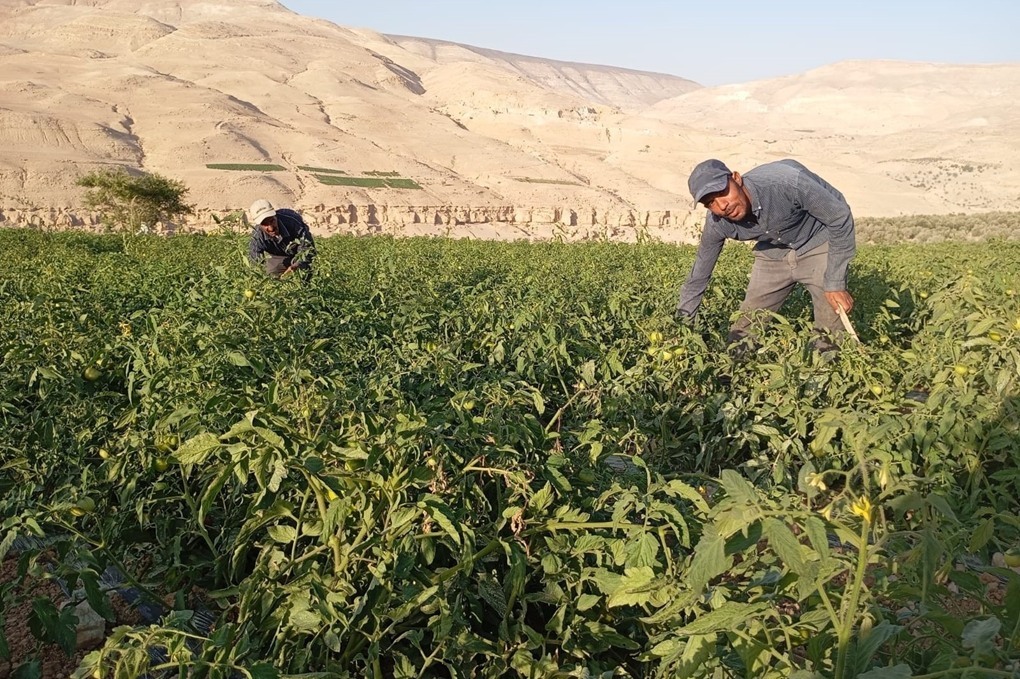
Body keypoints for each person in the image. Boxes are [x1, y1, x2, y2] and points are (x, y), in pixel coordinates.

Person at [676, 158, 855, 350]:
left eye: (721, 192)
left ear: (736, 179)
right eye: (710, 203)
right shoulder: (718, 223)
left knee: (830, 322)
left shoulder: (786, 182)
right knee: (747, 323)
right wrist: (680, 330)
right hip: (773, 252)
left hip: (816, 241)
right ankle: (731, 375)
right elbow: (698, 276)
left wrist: (835, 282)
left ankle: (823, 373)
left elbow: (839, 217)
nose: (721, 206)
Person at [247, 199, 315, 279]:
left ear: (275, 215)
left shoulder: (292, 221)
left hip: (299, 253)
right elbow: (255, 262)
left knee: (304, 274)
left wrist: (297, 265)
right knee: (272, 276)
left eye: (272, 221)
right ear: (259, 225)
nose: (271, 228)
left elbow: (307, 247)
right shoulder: (257, 236)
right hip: (278, 257)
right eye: (265, 224)